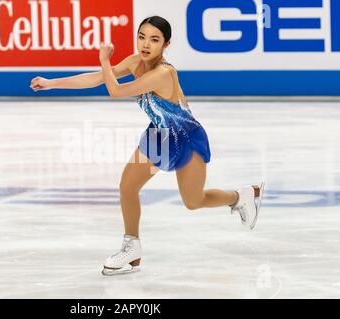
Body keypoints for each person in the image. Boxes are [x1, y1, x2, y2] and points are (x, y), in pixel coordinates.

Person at [30, 16, 265, 276]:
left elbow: (116, 91)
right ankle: (132, 248)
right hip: (159, 139)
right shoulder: (134, 62)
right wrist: (52, 83)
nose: (145, 44)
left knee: (193, 201)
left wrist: (105, 59)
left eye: (154, 39)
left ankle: (242, 196)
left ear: (166, 44)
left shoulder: (163, 73)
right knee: (127, 186)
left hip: (186, 140)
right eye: (142, 36)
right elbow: (98, 79)